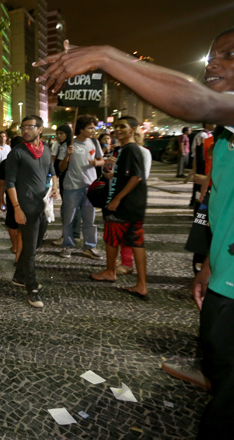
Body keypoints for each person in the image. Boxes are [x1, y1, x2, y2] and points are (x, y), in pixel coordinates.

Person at [35, 32, 234, 440]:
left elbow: (199, 103)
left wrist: (107, 57)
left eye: (229, 56)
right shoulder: (227, 145)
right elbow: (224, 213)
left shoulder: (211, 120)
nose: (213, 64)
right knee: (220, 369)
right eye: (211, 56)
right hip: (222, 283)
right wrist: (210, 266)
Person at [89, 116, 148, 299]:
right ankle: (141, 285)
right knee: (136, 243)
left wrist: (117, 199)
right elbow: (126, 175)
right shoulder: (125, 150)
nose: (118, 130)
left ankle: (110, 271)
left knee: (112, 238)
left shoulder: (131, 149)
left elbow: (137, 177)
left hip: (124, 206)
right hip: (132, 205)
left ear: (133, 130)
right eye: (116, 127)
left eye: (123, 126)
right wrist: (111, 175)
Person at [5, 115, 58, 308]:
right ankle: (32, 288)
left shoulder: (46, 150)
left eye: (30, 127)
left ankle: (19, 276)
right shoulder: (16, 153)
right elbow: (9, 183)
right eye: (23, 127)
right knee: (30, 250)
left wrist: (55, 187)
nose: (25, 130)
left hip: (42, 207)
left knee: (34, 246)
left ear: (40, 129)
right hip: (25, 208)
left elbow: (52, 172)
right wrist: (17, 209)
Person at [57, 115, 104, 260]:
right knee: (69, 219)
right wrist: (67, 156)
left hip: (90, 187)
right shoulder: (68, 145)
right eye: (90, 128)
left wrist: (96, 163)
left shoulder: (94, 143)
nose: (93, 131)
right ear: (81, 129)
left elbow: (101, 161)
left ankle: (90, 246)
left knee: (90, 220)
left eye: (93, 127)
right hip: (72, 187)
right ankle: (67, 245)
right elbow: (61, 168)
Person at [117, 129, 152, 275]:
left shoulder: (142, 152)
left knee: (131, 234)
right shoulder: (124, 150)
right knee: (122, 231)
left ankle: (128, 264)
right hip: (123, 194)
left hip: (133, 197)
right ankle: (125, 259)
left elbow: (141, 175)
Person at [0, 136, 24, 263]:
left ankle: (15, 247)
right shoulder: (27, 161)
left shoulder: (5, 162)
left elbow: (1, 184)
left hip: (11, 197)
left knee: (12, 222)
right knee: (23, 224)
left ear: (11, 146)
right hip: (26, 196)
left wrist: (1, 199)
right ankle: (21, 249)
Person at [188, 124, 215, 209]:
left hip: (210, 172)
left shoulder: (213, 137)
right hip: (203, 169)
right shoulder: (201, 136)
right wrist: (195, 170)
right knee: (199, 192)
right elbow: (197, 155)